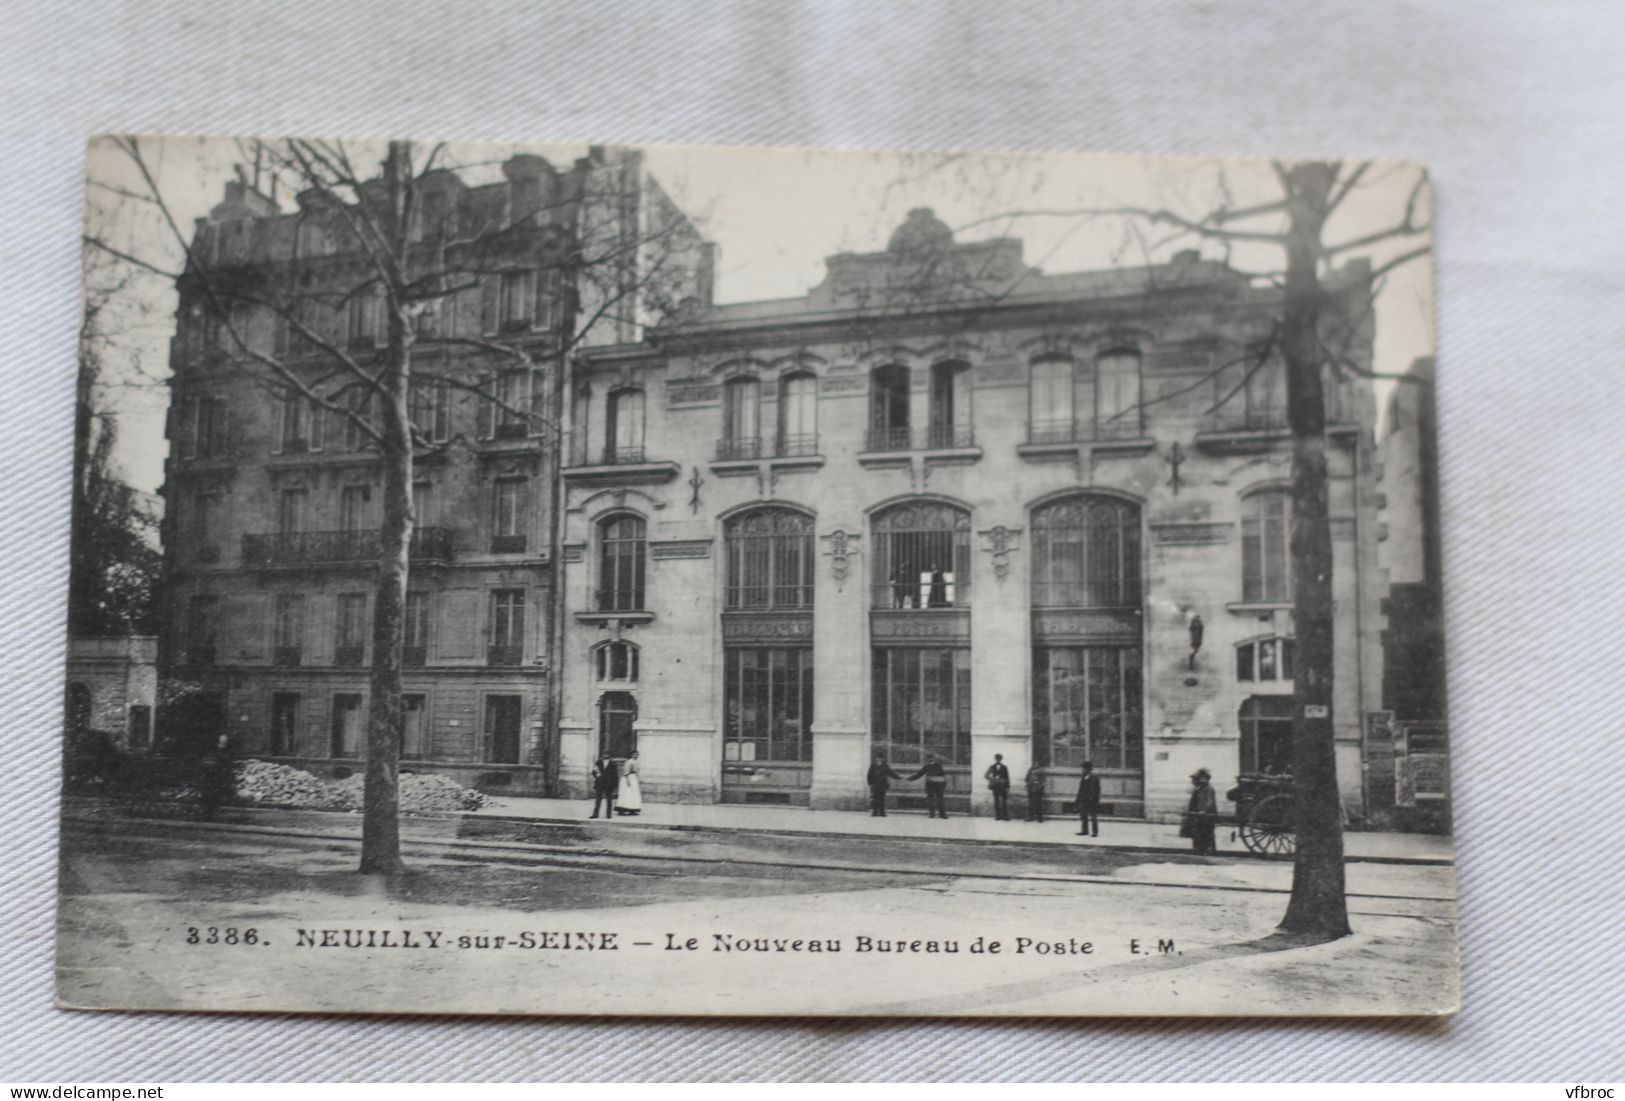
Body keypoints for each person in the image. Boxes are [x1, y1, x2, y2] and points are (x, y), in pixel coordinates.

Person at [1180, 767, 1219, 855]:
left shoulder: (1208, 788)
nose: (1193, 781)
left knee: (1206, 832)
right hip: (1198, 815)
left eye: (1195, 779)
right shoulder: (1199, 788)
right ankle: (1199, 849)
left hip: (1207, 816)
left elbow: (1209, 802)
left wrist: (1203, 811)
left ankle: (1208, 850)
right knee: (1198, 832)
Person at [908, 754, 950, 819]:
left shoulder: (926, 766)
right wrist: (944, 784)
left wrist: (910, 779)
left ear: (927, 759)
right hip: (940, 783)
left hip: (930, 783)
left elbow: (919, 774)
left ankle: (932, 814)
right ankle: (942, 814)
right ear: (934, 759)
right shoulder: (939, 765)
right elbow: (943, 775)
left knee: (930, 798)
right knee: (940, 799)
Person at [867, 752, 902, 817]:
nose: (879, 759)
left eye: (880, 758)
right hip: (875, 785)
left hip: (883, 785)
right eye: (878, 758)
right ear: (876, 759)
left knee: (882, 799)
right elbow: (869, 775)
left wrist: (898, 777)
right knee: (875, 799)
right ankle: (874, 813)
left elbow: (891, 773)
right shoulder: (873, 766)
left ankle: (882, 813)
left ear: (882, 759)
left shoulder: (885, 766)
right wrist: (870, 783)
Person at [1076, 760, 1102, 838]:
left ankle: (1095, 832)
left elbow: (1093, 790)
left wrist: (1090, 800)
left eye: (1083, 768)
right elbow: (1081, 789)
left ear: (1087, 769)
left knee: (1093, 816)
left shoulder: (1093, 777)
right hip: (1084, 800)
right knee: (1083, 815)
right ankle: (1085, 831)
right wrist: (1078, 799)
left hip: (1092, 800)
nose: (1082, 770)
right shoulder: (1084, 776)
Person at [589, 753, 619, 819]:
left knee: (609, 800)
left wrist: (615, 786)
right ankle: (595, 814)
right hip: (600, 783)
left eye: (607, 754)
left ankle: (608, 815)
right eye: (604, 754)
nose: (605, 755)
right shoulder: (598, 762)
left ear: (609, 755)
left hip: (609, 784)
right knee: (598, 799)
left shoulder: (613, 763)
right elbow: (594, 771)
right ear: (602, 755)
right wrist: (596, 776)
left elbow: (615, 775)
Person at [984, 753, 1011, 820]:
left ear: (1001, 759)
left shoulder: (1004, 767)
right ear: (995, 759)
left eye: (999, 759)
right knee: (996, 801)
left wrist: (1008, 786)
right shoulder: (992, 767)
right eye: (997, 758)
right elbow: (986, 775)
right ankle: (998, 816)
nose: (998, 760)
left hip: (1003, 786)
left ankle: (1005, 816)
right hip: (995, 786)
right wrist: (992, 779)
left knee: (1004, 801)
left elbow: (1007, 777)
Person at [616, 750, 643, 816]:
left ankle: (632, 809)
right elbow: (626, 772)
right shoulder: (629, 761)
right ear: (631, 755)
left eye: (637, 754)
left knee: (633, 794)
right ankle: (622, 809)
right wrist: (628, 780)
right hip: (628, 778)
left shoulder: (637, 762)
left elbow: (637, 771)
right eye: (634, 754)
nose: (635, 755)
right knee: (627, 794)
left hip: (634, 778)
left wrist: (638, 779)